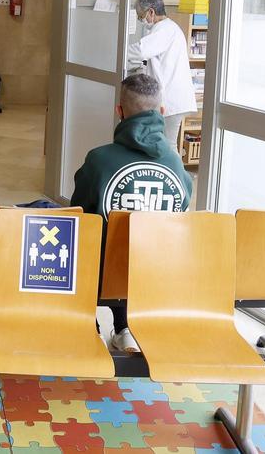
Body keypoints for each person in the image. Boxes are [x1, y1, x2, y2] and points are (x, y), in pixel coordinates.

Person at [70, 74, 192, 352]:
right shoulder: (175, 163)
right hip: (156, 273)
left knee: (83, 240)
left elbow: (79, 212)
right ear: (162, 112)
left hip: (103, 273)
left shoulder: (99, 159)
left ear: (120, 112)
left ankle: (89, 325)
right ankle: (126, 328)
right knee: (133, 249)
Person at [127, 0, 196, 148]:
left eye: (141, 16)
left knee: (168, 146)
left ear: (151, 12)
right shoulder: (166, 28)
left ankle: (178, 173)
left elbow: (141, 50)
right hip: (171, 96)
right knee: (165, 145)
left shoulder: (164, 29)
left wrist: (117, 52)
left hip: (171, 98)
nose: (141, 21)